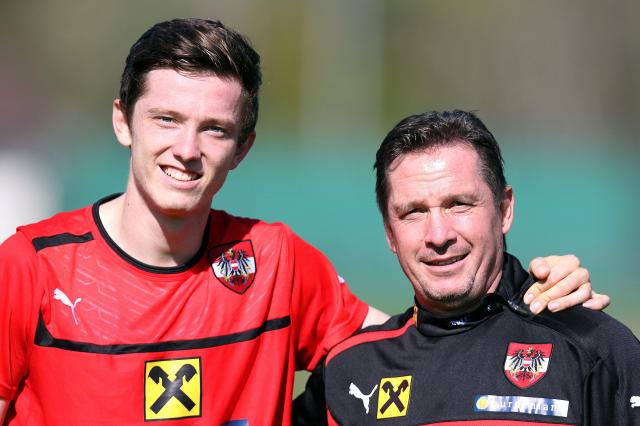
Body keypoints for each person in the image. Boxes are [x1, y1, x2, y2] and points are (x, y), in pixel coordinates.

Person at [0, 19, 606, 425]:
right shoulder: (32, 264)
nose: (187, 148)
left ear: (243, 147)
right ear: (123, 122)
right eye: (166, 119)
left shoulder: (274, 261)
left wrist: (531, 292)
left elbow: (418, 345)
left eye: (215, 129)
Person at [317, 110, 639, 425]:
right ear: (390, 233)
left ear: (504, 209)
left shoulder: (595, 349)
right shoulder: (350, 374)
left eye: (458, 204)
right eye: (413, 212)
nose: (439, 236)